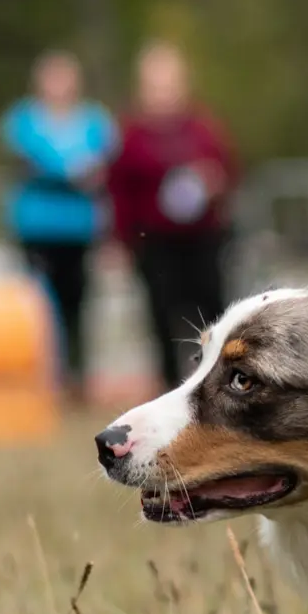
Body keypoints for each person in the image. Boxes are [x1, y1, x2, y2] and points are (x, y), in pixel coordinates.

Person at [108, 42, 242, 391]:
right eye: (155, 85)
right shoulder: (130, 134)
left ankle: (219, 384)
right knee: (161, 318)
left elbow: (229, 171)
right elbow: (118, 190)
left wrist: (213, 183)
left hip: (202, 240)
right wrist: (119, 241)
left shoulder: (204, 128)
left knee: (213, 314)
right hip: (153, 241)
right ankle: (170, 386)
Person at [0, 50, 116, 397]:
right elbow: (30, 160)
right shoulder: (24, 119)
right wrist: (71, 173)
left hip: (79, 228)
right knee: (39, 305)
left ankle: (76, 378)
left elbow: (105, 164)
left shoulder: (94, 119)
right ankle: (43, 375)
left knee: (77, 305)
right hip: (37, 228)